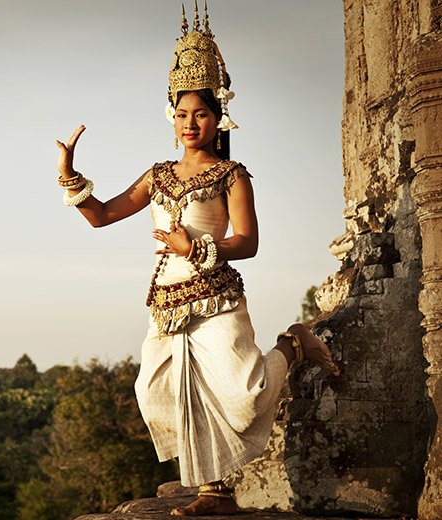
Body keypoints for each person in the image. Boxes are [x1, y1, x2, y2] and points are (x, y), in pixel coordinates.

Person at [55, 3, 339, 516]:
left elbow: (248, 242)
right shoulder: (159, 174)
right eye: (182, 113)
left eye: (201, 113)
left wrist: (196, 247)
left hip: (215, 298)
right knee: (160, 394)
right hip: (166, 303)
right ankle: (215, 492)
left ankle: (292, 345)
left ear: (218, 115)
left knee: (246, 396)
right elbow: (101, 216)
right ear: (172, 114)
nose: (190, 122)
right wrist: (71, 176)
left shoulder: (232, 174)